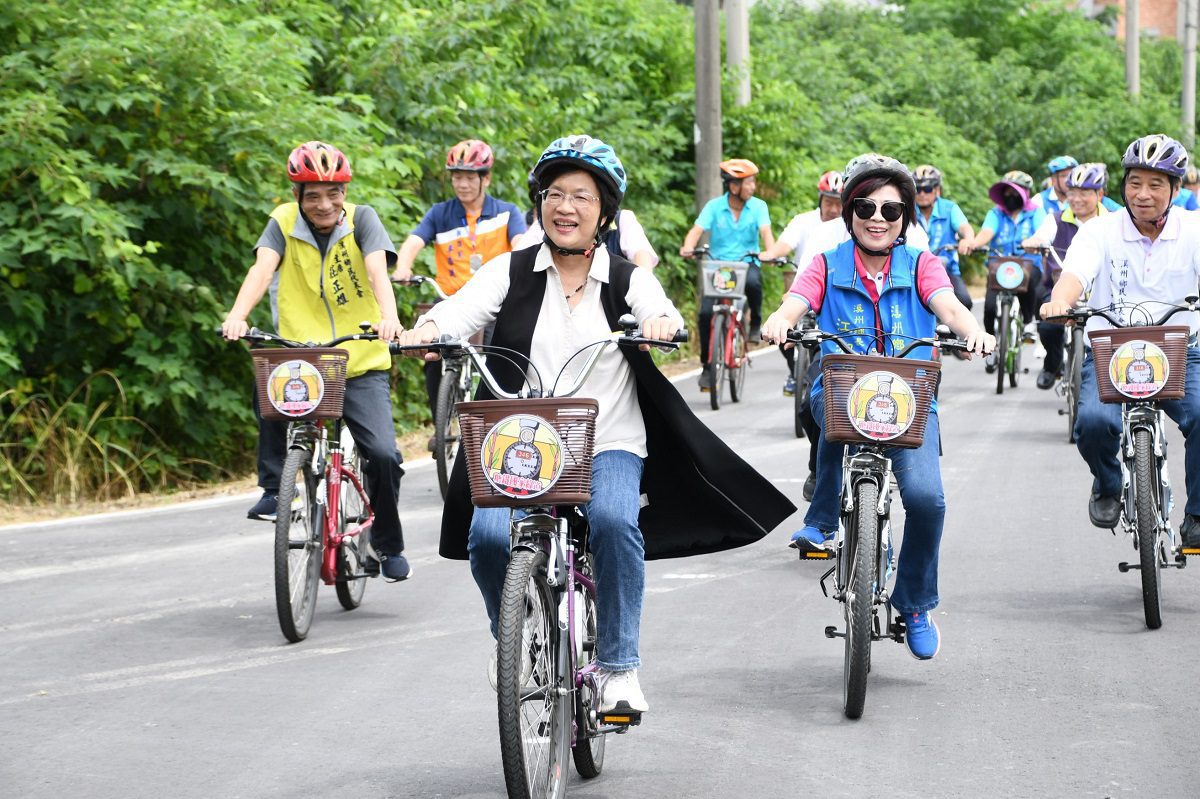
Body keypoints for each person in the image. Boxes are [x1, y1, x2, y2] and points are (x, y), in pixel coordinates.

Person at [397, 135, 795, 712]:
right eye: (554, 194)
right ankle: (511, 634)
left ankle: (618, 666)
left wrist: (659, 325)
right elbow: (457, 310)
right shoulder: (510, 272)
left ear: (604, 211)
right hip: (520, 440)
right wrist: (424, 331)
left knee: (612, 520)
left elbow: (661, 309)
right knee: (485, 537)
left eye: (581, 196)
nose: (565, 207)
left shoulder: (626, 277)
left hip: (607, 437)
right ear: (539, 204)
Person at [761, 153, 994, 660]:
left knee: (927, 500)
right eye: (865, 206)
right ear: (848, 212)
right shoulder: (825, 263)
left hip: (912, 399)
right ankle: (822, 518)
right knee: (829, 421)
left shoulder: (923, 265)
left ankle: (914, 603)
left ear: (905, 218)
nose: (877, 218)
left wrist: (972, 331)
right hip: (844, 390)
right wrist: (781, 319)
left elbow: (948, 306)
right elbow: (796, 301)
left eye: (891, 211)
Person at [221, 141, 411, 581]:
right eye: (312, 195)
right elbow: (262, 270)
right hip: (303, 355)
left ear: (345, 192)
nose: (324, 204)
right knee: (266, 375)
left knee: (382, 454)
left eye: (333, 193)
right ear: (297, 196)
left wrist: (391, 319)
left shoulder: (363, 220)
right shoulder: (283, 223)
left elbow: (379, 272)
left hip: (359, 357)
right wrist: (238, 316)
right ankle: (274, 488)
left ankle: (387, 544)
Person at [1040, 134, 1200, 546]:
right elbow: (1076, 274)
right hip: (1112, 349)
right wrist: (1060, 301)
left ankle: (1196, 514)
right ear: (1122, 186)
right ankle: (1109, 483)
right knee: (1092, 423)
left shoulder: (1193, 230)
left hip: (1181, 351)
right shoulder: (1099, 231)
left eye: (1155, 184)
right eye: (1135, 183)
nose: (1143, 194)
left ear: (1176, 189)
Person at [390, 139, 527, 434]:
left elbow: (521, 244)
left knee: (502, 352)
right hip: (452, 299)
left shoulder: (506, 212)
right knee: (430, 351)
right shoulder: (440, 213)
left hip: (493, 303)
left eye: (469, 177)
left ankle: (500, 419)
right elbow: (415, 241)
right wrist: (403, 265)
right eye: (456, 177)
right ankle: (442, 421)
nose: (462, 184)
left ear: (485, 179)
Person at [679, 158, 775, 391]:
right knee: (704, 314)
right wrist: (687, 247)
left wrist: (770, 253)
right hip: (719, 268)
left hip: (746, 262)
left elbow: (766, 232)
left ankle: (755, 322)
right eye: (749, 183)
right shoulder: (714, 206)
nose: (753, 187)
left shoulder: (759, 206)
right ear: (734, 186)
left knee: (754, 283)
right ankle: (706, 365)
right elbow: (696, 230)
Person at [1022, 162, 1111, 389]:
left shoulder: (1113, 220)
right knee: (1048, 326)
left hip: (1101, 290)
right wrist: (1034, 242)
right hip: (1057, 285)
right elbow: (1042, 236)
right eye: (1072, 192)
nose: (1077, 198)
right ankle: (1052, 367)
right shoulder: (1056, 219)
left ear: (1099, 194)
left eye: (1084, 193)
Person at [760, 170, 845, 397]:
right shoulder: (804, 222)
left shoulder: (849, 228)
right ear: (820, 200)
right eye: (829, 203)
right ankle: (794, 371)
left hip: (834, 292)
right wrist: (768, 255)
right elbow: (784, 246)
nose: (834, 209)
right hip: (802, 286)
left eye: (839, 203)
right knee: (780, 326)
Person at [963, 170, 1047, 373]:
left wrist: (1035, 243)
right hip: (999, 265)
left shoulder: (1036, 212)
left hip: (1028, 263)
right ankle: (990, 348)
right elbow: (987, 233)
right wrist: (973, 243)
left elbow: (1041, 234)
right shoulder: (996, 213)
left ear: (1026, 193)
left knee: (1029, 284)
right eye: (1006, 192)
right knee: (990, 307)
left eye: (1015, 192)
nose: (1010, 197)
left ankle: (1028, 323)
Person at [910, 164, 975, 310]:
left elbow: (965, 228)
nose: (922, 193)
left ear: (937, 190)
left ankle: (952, 333)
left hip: (947, 271)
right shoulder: (908, 210)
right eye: (917, 189)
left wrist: (967, 239)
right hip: (913, 271)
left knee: (965, 301)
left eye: (927, 189)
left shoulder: (949, 208)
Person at [522, 207, 660, 269]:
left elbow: (642, 256)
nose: (567, 208)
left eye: (581, 197)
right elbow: (518, 257)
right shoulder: (546, 223)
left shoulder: (622, 220)